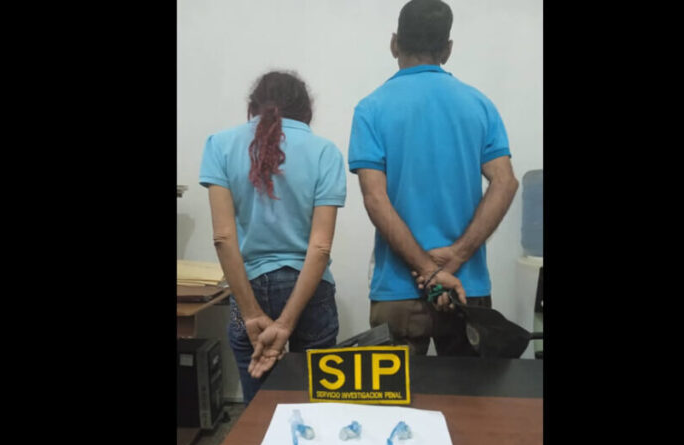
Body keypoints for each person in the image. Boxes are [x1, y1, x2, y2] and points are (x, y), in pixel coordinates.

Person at [348, 0, 519, 356]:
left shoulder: (371, 109)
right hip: (466, 287)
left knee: (395, 393)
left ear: (394, 43)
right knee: (471, 393)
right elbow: (505, 182)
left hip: (399, 290)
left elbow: (375, 199)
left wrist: (428, 270)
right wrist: (455, 257)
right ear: (447, 49)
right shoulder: (479, 105)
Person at [200, 71, 346, 403]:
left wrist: (250, 313)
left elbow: (223, 238)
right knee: (317, 402)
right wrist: (287, 322)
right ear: (306, 110)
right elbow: (320, 247)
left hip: (246, 289)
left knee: (258, 405)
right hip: (312, 290)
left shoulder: (220, 145)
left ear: (254, 106)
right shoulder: (325, 152)